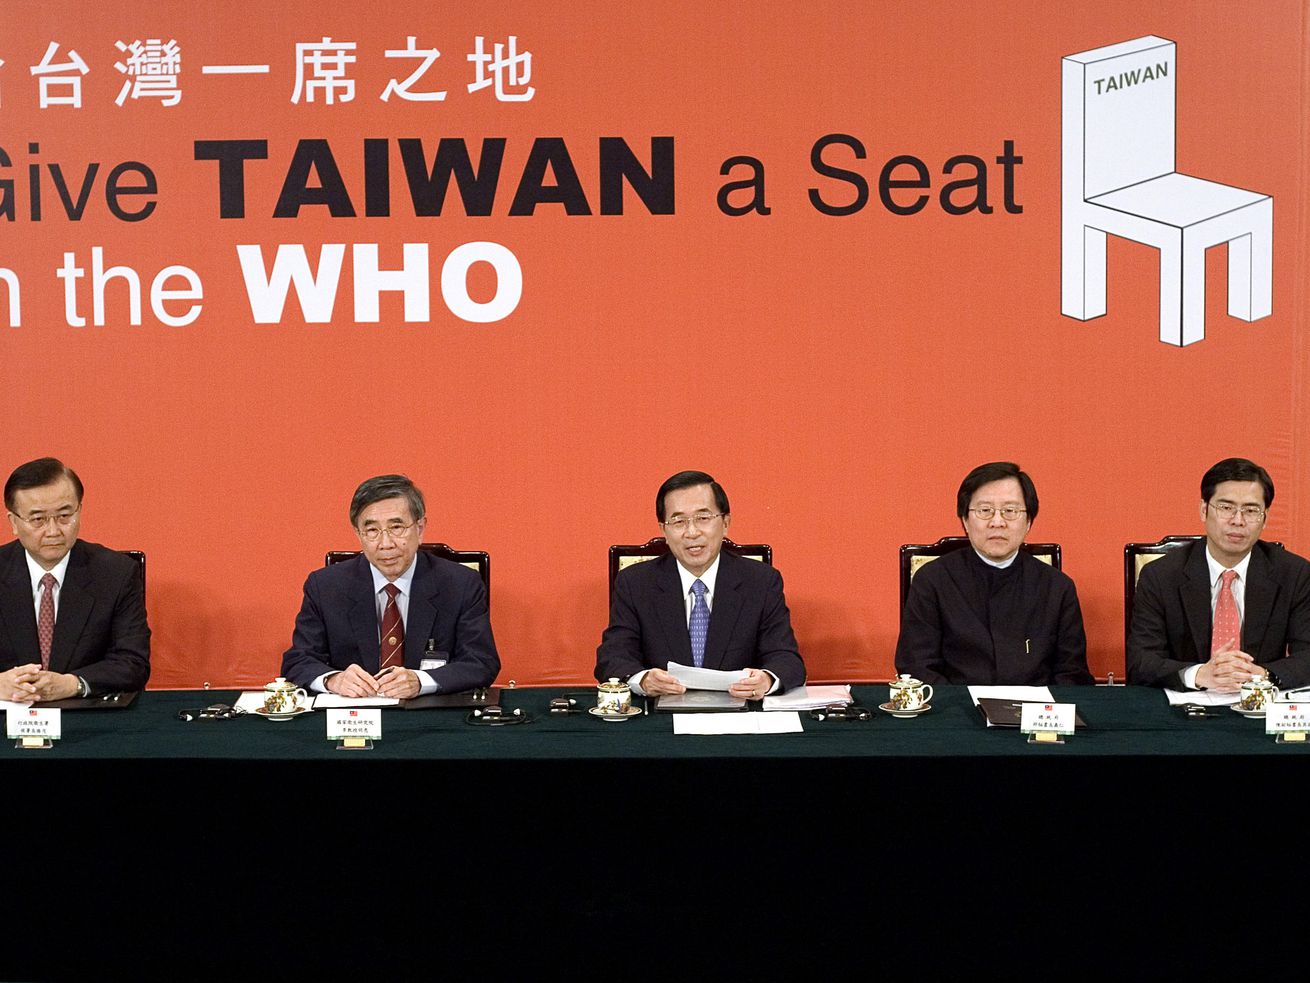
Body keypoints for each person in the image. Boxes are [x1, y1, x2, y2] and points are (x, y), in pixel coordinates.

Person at [280, 474, 499, 698]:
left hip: (430, 711)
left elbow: (481, 662)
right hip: (355, 713)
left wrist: (421, 681)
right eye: (372, 531)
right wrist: (333, 680)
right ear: (358, 534)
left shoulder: (460, 584)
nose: (385, 544)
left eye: (396, 527)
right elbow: (298, 660)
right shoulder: (325, 587)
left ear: (420, 528)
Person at [595, 470, 805, 698]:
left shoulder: (761, 581)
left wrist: (767, 679)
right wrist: (643, 680)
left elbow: (786, 659)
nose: (692, 532)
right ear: (664, 530)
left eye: (703, 518)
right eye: (678, 521)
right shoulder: (635, 584)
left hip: (739, 711)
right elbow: (613, 657)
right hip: (662, 712)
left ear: (725, 523)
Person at [895, 461, 1092, 686]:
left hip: (1036, 707)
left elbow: (1072, 674)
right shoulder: (932, 581)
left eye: (1010, 511)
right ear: (965, 520)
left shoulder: (1057, 587)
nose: (997, 522)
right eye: (985, 511)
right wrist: (959, 703)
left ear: (1028, 521)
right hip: (956, 704)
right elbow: (917, 667)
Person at [1127, 458, 1310, 691]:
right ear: (1204, 510)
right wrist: (1198, 674)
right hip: (1186, 705)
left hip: (1259, 703)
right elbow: (1141, 661)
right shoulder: (1160, 576)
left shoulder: (1295, 574)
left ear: (1265, 518)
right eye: (1226, 508)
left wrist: (1263, 675)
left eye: (1251, 510)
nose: (1238, 520)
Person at [1, 457, 150, 701]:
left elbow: (133, 663)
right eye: (38, 519)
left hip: (86, 714)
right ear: (14, 523)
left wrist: (73, 684)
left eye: (64, 515)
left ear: (79, 511)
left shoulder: (116, 573)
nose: (53, 531)